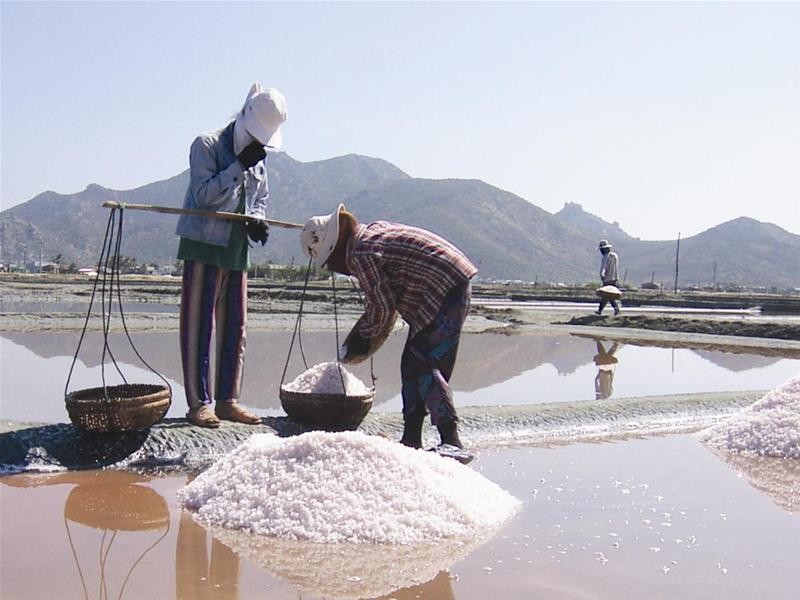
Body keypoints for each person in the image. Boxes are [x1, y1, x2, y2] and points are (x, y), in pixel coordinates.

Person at [300, 204, 477, 454]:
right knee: (410, 363)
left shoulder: (359, 254)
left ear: (335, 249)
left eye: (330, 263)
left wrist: (365, 336)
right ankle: (411, 438)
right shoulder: (371, 232)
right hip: (449, 281)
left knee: (424, 363)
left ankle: (451, 439)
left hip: (443, 287)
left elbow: (383, 308)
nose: (335, 269)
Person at [175, 83, 287, 428]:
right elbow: (204, 195)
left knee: (235, 325)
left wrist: (258, 221)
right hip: (205, 242)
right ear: (243, 118)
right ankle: (199, 403)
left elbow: (260, 198)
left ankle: (227, 399)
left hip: (237, 247)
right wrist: (238, 165)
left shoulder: (258, 159)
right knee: (199, 324)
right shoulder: (206, 145)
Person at [596, 239, 621, 315]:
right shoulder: (615, 256)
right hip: (615, 278)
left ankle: (614, 309)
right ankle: (601, 310)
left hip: (607, 279)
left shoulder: (605, 257)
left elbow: (603, 268)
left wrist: (602, 275)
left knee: (607, 295)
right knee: (609, 295)